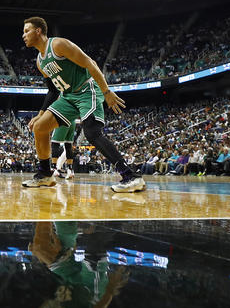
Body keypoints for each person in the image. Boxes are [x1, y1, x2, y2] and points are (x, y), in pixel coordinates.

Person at [21, 17, 144, 192]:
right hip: (67, 96)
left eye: (27, 31)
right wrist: (40, 115)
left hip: (86, 89)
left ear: (38, 31)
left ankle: (130, 176)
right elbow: (53, 91)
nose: (24, 35)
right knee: (39, 128)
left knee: (92, 133)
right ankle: (45, 175)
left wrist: (106, 92)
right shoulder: (40, 62)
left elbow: (90, 63)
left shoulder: (58, 45)